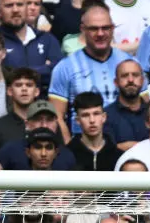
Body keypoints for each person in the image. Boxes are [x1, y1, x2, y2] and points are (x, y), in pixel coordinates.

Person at [48, 4, 130, 137]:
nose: (100, 33)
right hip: (82, 147)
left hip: (124, 143)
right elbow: (57, 116)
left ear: (113, 29)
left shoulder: (129, 63)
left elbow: (143, 108)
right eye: (93, 29)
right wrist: (71, 149)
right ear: (83, 29)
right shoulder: (65, 67)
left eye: (105, 28)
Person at [0, 0, 62, 90]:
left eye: (19, 4)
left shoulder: (47, 39)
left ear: (26, 8)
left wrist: (16, 71)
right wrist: (43, 69)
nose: (15, 10)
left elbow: (59, 73)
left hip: (42, 101)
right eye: (9, 5)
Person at [0, 68, 39, 154]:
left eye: (29, 85)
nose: (24, 89)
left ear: (36, 91)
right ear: (9, 91)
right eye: (18, 85)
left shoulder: (48, 124)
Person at [67, 91, 122, 171]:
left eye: (96, 114)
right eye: (85, 115)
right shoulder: (68, 155)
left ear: (104, 117)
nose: (92, 120)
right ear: (77, 120)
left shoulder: (118, 156)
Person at [104, 60, 149, 150]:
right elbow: (105, 152)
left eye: (135, 75)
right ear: (116, 82)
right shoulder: (105, 116)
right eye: (125, 76)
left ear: (143, 80)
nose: (130, 80)